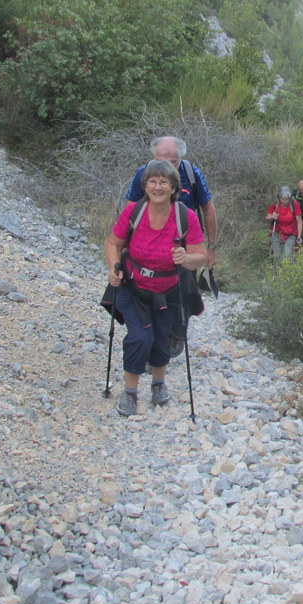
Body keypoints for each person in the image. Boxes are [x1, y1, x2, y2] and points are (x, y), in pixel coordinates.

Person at [106, 160, 207, 416]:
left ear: (174, 187)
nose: (157, 187)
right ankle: (130, 392)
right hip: (134, 285)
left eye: (163, 182)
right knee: (141, 337)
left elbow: (201, 256)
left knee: (163, 340)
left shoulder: (186, 216)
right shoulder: (134, 212)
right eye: (153, 181)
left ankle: (158, 383)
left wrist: (186, 259)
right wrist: (113, 267)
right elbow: (113, 243)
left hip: (169, 288)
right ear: (145, 185)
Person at [126, 136, 219, 268]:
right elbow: (130, 209)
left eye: (172, 162)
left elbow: (208, 210)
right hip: (147, 244)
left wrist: (211, 248)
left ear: (180, 157)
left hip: (183, 248)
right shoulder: (143, 172)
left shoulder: (192, 173)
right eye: (160, 161)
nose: (166, 168)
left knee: (184, 286)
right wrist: (123, 245)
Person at [266, 186, 302, 263]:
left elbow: (299, 221)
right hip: (277, 232)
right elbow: (268, 217)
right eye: (283, 199)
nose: (285, 201)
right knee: (277, 256)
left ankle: (288, 272)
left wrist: (299, 237)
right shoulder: (275, 204)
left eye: (287, 200)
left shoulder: (293, 204)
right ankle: (276, 273)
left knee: (287, 255)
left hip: (291, 233)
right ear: (279, 198)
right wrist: (272, 216)